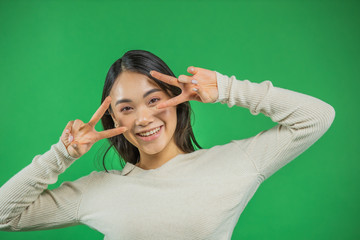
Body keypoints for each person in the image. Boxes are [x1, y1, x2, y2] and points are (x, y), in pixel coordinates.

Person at [0, 50, 335, 239]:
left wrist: (227, 89)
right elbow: (4, 215)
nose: (143, 118)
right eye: (126, 108)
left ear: (176, 100)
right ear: (115, 121)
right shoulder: (97, 190)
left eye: (154, 100)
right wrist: (61, 154)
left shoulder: (236, 163)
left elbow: (317, 117)